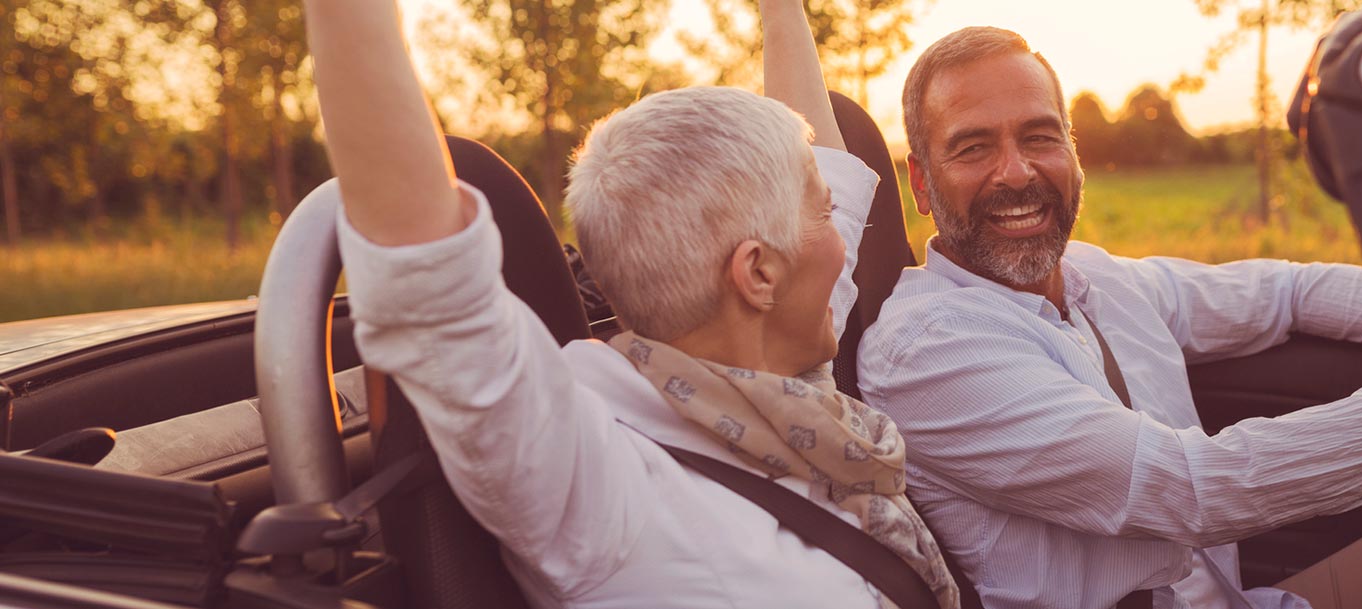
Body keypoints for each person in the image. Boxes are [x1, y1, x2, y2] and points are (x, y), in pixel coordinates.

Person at [857, 25, 1362, 609]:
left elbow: (1286, 292)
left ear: (1073, 154)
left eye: (1039, 136)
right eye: (973, 147)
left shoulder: (1099, 279)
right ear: (921, 184)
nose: (1016, 172)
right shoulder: (926, 351)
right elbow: (1194, 487)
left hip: (1246, 600)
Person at [300, 0, 960, 607]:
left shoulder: (786, 379)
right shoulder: (600, 487)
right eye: (825, 217)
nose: (845, 245)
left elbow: (826, 163)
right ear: (757, 273)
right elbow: (430, 282)